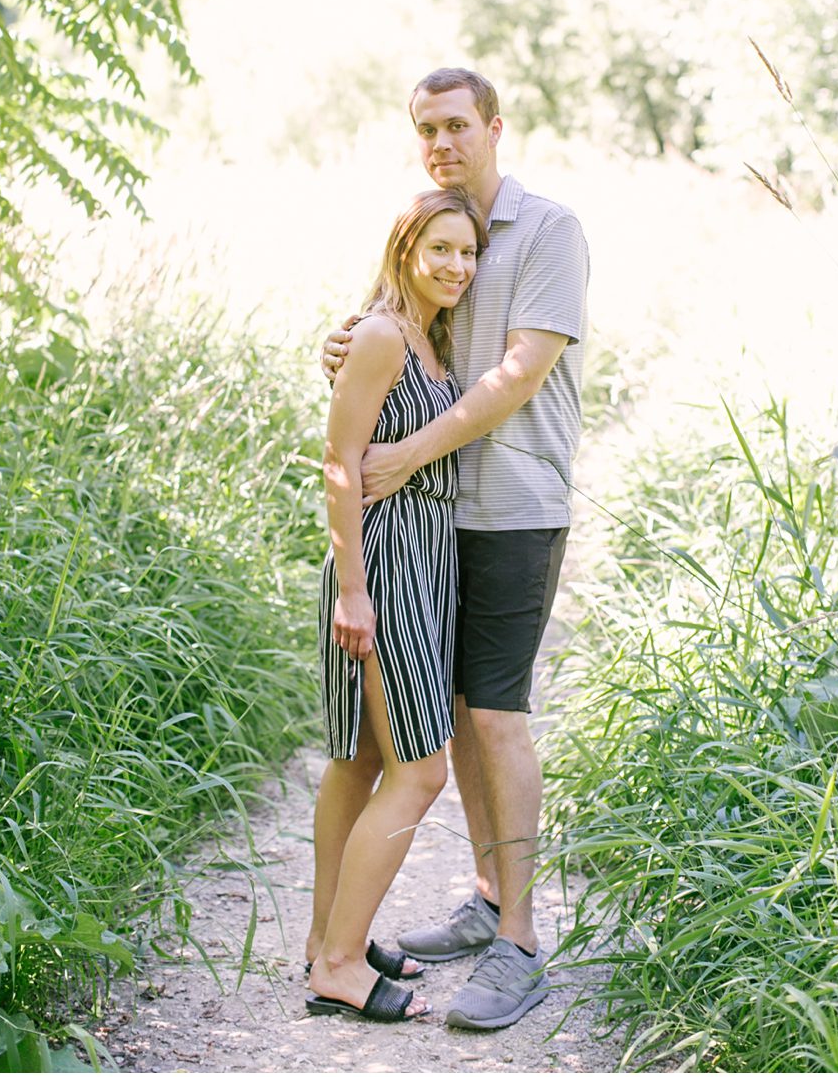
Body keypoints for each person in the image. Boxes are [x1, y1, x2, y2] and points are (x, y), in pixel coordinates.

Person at [321, 67, 590, 1032]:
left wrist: (404, 452)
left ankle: (519, 941)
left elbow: (518, 375)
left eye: (457, 126)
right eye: (426, 128)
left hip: (512, 505)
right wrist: (345, 343)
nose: (441, 141)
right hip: (431, 526)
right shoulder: (436, 225)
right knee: (463, 711)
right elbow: (393, 332)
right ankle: (485, 894)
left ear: (494, 129)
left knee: (501, 716)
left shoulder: (547, 232)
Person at [305, 186, 485, 1023]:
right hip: (383, 563)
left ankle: (325, 942)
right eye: (441, 249)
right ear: (405, 248)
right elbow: (341, 463)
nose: (457, 266)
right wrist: (353, 590)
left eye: (468, 253)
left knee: (362, 762)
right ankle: (340, 966)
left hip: (423, 558)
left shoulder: (431, 340)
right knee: (420, 771)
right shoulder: (381, 336)